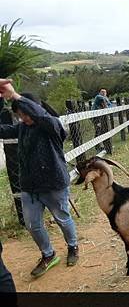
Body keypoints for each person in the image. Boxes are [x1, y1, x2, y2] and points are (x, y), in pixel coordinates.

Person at [0, 79, 79, 278]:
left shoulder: (52, 126)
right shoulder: (22, 128)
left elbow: (42, 117)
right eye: (19, 115)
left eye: (25, 113)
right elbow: (1, 130)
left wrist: (15, 96)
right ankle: (48, 254)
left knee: (62, 218)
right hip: (30, 188)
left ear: (35, 109)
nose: (23, 118)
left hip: (53, 184)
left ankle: (73, 246)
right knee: (32, 224)